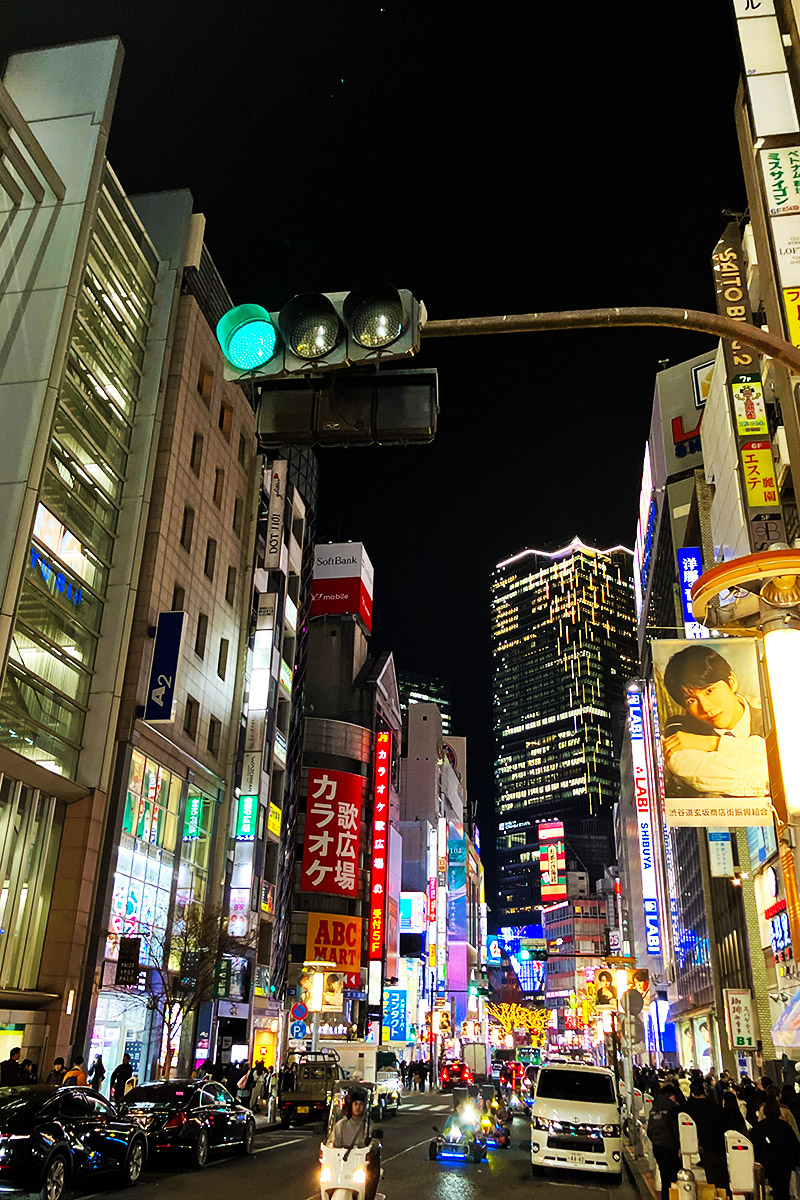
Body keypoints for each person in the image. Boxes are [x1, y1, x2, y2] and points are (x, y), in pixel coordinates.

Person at [661, 644, 768, 797]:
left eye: (709, 690)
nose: (706, 707)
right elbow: (693, 771)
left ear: (731, 682)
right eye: (691, 700)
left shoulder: (773, 719)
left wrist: (712, 743)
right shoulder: (679, 730)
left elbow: (787, 762)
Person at [330, 1088, 379, 1200]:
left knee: (369, 1181)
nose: (358, 1107)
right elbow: (332, 1142)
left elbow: (374, 1143)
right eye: (355, 1104)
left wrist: (371, 1144)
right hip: (341, 1164)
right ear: (350, 1105)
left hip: (360, 1164)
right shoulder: (340, 1125)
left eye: (361, 1104)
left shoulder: (368, 1126)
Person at [750, 1096, 800, 1200]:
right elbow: (794, 1144)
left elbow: (755, 1146)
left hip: (768, 1163)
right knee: (783, 1189)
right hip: (784, 1163)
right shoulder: (785, 1126)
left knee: (773, 1187)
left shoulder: (759, 1128)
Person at [686, 1075, 728, 1188]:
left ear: (692, 1093)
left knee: (712, 1178)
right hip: (719, 1145)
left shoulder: (688, 1109)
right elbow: (725, 1125)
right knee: (722, 1178)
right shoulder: (716, 1107)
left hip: (704, 1147)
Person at [647, 1084, 681, 1200]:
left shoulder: (654, 1108)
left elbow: (649, 1131)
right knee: (674, 1176)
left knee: (664, 1176)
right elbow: (675, 1130)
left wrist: (656, 1141)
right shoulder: (672, 1108)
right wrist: (678, 1145)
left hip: (657, 1146)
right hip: (670, 1147)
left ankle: (665, 1197)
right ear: (671, 1096)